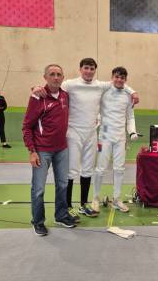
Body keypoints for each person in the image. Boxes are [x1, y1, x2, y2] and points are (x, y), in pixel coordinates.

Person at [32, 58, 138, 220]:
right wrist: (36, 88)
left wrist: (133, 92)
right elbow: (53, 86)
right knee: (72, 170)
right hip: (73, 133)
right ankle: (67, 206)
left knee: (88, 169)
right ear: (80, 69)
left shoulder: (100, 85)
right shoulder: (70, 84)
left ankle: (83, 204)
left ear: (95, 70)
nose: (89, 71)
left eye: (92, 68)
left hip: (91, 134)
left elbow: (119, 83)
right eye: (86, 68)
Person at [23, 64, 77, 236]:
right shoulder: (37, 97)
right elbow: (27, 126)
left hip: (62, 149)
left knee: (62, 184)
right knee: (38, 189)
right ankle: (37, 222)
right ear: (45, 77)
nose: (55, 77)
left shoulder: (65, 96)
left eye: (59, 74)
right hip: (42, 151)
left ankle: (61, 215)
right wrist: (32, 151)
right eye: (52, 74)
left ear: (63, 77)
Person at [92, 67, 139, 214]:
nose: (119, 80)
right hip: (105, 136)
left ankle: (117, 199)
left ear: (125, 79)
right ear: (112, 77)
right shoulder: (104, 90)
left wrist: (132, 131)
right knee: (100, 168)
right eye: (117, 77)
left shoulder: (128, 95)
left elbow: (130, 117)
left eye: (122, 78)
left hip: (120, 138)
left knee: (119, 169)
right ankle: (95, 198)